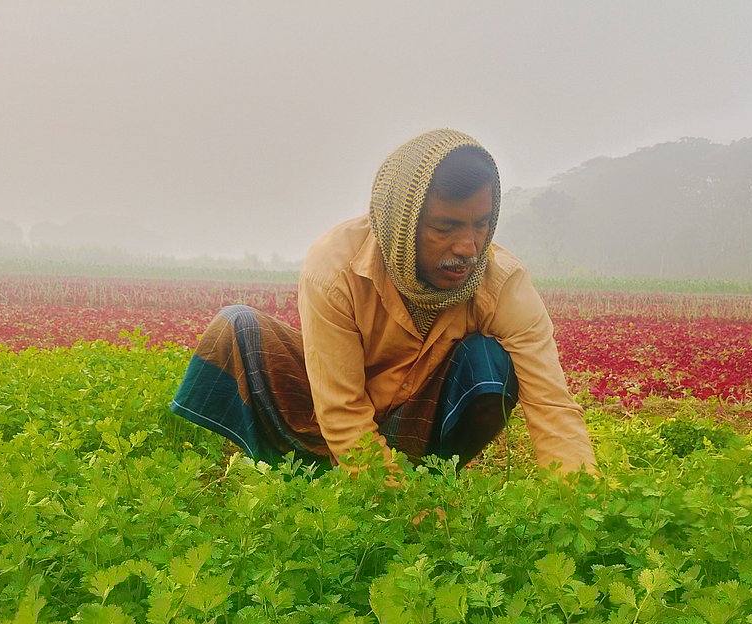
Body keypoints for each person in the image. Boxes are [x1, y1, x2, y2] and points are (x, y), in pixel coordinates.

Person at [170, 127, 596, 474]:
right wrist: (394, 502)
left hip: (420, 421)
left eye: (481, 224)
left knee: (491, 363)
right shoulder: (335, 266)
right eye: (445, 227)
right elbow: (340, 408)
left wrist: (581, 503)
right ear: (402, 220)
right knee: (237, 327)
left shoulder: (501, 282)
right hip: (332, 414)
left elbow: (552, 404)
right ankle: (277, 467)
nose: (468, 246)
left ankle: (432, 477)